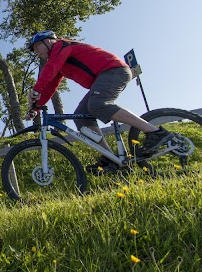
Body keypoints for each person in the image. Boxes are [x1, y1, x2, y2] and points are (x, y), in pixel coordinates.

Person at [26, 31, 174, 174]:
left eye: (36, 47)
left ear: (48, 41)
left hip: (114, 71)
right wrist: (36, 108)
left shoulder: (61, 46)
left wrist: (36, 90)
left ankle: (156, 132)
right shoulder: (59, 62)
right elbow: (50, 86)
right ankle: (111, 159)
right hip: (101, 79)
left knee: (97, 104)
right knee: (81, 116)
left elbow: (50, 68)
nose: (36, 52)